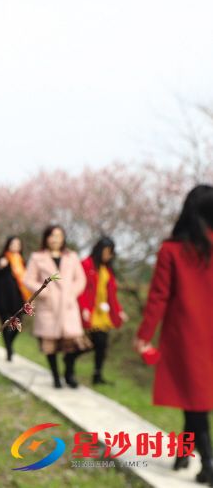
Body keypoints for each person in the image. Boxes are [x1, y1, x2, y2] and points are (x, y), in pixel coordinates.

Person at [135, 185, 213, 485]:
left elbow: (158, 297)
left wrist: (144, 335)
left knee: (194, 400)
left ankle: (208, 463)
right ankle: (183, 453)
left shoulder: (172, 250)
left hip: (186, 337)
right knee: (195, 398)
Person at [24, 225, 91, 389]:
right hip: (49, 307)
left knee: (73, 344)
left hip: (68, 306)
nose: (55, 239)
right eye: (52, 235)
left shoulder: (72, 257)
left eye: (59, 235)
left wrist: (71, 293)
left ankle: (69, 373)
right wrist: (44, 292)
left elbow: (80, 279)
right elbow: (28, 280)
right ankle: (55, 376)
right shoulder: (37, 257)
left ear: (63, 238)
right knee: (50, 346)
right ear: (46, 238)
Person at [78, 237, 128, 385]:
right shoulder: (86, 264)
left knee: (102, 344)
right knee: (92, 342)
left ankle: (97, 375)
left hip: (103, 312)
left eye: (110, 253)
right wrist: (83, 307)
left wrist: (119, 311)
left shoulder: (107, 269)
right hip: (90, 310)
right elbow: (81, 288)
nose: (108, 256)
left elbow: (111, 293)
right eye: (106, 252)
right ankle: (70, 360)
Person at [0, 236, 31, 361]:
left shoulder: (22, 261)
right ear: (8, 245)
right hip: (2, 298)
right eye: (13, 243)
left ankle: (9, 343)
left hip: (18, 298)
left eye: (18, 244)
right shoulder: (1, 258)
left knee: (19, 324)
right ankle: (9, 350)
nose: (15, 246)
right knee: (5, 324)